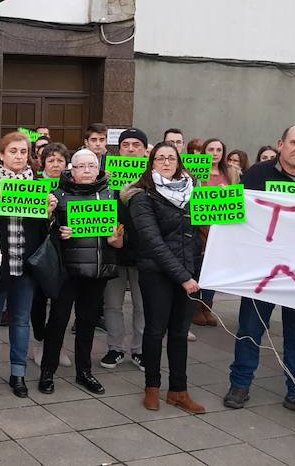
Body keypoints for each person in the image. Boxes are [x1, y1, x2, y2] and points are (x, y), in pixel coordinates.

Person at [224, 124, 295, 422]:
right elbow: (237, 215)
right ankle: (240, 385)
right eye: (294, 142)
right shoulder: (258, 174)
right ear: (281, 144)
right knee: (250, 328)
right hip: (263, 271)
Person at [123, 143, 205, 413]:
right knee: (155, 330)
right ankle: (152, 387)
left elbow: (200, 234)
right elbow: (153, 242)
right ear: (152, 162)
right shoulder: (141, 196)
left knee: (180, 333)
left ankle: (179, 391)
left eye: (172, 157)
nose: (167, 162)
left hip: (189, 273)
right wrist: (184, 277)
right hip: (156, 272)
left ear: (179, 161)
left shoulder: (194, 192)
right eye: (160, 158)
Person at [39, 149, 122, 395]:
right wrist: (57, 231)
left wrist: (115, 238)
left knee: (87, 324)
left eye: (91, 166)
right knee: (57, 321)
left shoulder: (111, 195)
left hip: (97, 271)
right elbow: (43, 234)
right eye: (81, 166)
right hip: (67, 271)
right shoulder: (56, 195)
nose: (86, 171)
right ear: (71, 170)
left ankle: (84, 372)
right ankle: (47, 371)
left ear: (98, 169)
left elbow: (119, 240)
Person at [0, 132, 56, 400]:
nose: (18, 156)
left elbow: (46, 230)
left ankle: (18, 373)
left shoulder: (37, 184)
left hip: (26, 264)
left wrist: (49, 213)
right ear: (1, 154)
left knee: (21, 321)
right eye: (12, 151)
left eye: (23, 151)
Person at [100, 129, 148, 371]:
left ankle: (139, 350)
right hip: (114, 252)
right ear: (118, 150)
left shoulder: (154, 181)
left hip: (143, 254)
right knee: (112, 304)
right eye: (126, 145)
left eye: (136, 144)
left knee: (142, 305)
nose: (130, 148)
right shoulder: (106, 180)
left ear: (145, 150)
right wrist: (103, 183)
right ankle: (115, 348)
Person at [29, 142, 73, 368]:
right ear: (43, 163)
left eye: (60, 161)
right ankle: (38, 343)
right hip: (39, 251)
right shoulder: (34, 185)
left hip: (64, 252)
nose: (56, 165)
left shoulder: (72, 185)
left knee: (60, 304)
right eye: (51, 161)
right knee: (38, 301)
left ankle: (56, 345)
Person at [193, 138, 241, 328]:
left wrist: (228, 192)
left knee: (214, 268)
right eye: (211, 149)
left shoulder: (231, 172)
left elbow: (239, 196)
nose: (214, 153)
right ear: (204, 152)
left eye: (218, 149)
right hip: (200, 226)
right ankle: (195, 307)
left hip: (221, 228)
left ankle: (207, 307)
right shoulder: (196, 173)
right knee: (198, 267)